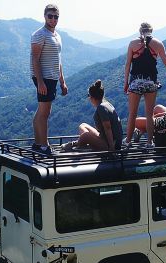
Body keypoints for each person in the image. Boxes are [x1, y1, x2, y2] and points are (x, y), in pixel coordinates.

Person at [123, 22, 166, 149]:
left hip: (135, 82)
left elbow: (128, 65)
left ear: (140, 31)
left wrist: (125, 83)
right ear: (151, 31)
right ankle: (150, 142)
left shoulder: (132, 43)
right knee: (149, 114)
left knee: (132, 114)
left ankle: (127, 141)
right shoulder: (158, 44)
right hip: (151, 82)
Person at [30, 4, 68, 155]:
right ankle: (44, 146)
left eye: (56, 16)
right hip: (43, 77)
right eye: (50, 16)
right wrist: (40, 81)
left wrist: (62, 81)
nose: (53, 19)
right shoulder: (40, 34)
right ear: (44, 16)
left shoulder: (57, 36)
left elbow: (58, 60)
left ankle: (38, 144)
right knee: (45, 113)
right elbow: (35, 59)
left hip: (52, 78)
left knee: (42, 111)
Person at [61, 80, 122, 152]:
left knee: (86, 135)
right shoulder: (106, 104)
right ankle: (84, 145)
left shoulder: (101, 108)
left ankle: (74, 145)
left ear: (92, 97)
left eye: (88, 96)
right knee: (83, 126)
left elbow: (108, 128)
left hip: (111, 144)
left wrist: (111, 148)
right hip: (108, 139)